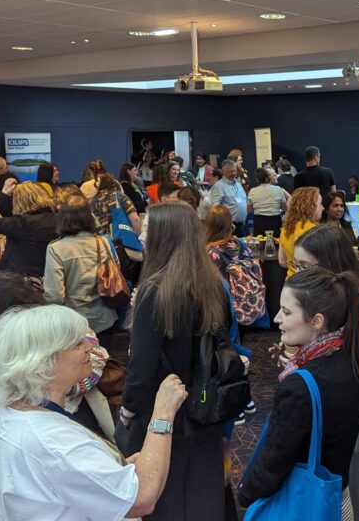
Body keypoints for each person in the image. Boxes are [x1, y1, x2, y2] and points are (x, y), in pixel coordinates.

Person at [0, 304, 187, 521]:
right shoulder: (55, 442)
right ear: (43, 361)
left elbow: (60, 477)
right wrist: (163, 413)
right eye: (76, 343)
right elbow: (141, 499)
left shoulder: (10, 413)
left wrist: (110, 470)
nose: (89, 347)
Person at [121, 202, 230, 519]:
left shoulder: (154, 291)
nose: (140, 234)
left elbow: (141, 368)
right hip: (206, 403)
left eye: (146, 228)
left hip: (164, 409)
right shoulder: (212, 284)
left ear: (163, 236)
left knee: (163, 496)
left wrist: (128, 410)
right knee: (201, 492)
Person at [238, 268, 359, 519]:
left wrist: (246, 494)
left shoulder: (300, 386)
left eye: (287, 312)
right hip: (337, 499)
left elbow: (274, 461)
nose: (277, 318)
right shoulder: (354, 364)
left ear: (316, 321)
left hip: (300, 503)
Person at [0, 273, 111, 453]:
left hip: (73, 422)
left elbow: (94, 363)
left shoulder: (64, 328)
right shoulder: (1, 343)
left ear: (11, 311)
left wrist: (43, 387)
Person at [292, 226, 359, 521]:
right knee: (323, 496)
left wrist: (341, 389)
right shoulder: (319, 302)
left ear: (330, 264)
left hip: (354, 417)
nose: (298, 275)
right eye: (297, 266)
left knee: (352, 500)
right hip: (322, 412)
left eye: (305, 267)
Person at [44, 196, 119, 346]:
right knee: (106, 365)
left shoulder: (56, 249)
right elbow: (116, 273)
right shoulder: (102, 242)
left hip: (74, 322)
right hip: (104, 319)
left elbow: (55, 295)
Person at [0, 180, 58, 281]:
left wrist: (2, 195)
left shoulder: (22, 223)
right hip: (48, 276)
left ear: (18, 201)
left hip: (20, 280)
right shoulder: (58, 219)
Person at [278, 187, 322, 278]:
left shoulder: (286, 229)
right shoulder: (315, 231)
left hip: (290, 281)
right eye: (320, 204)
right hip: (310, 283)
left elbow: (282, 262)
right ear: (311, 206)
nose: (323, 208)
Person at [204, 205, 254, 278]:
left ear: (208, 225)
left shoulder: (209, 252)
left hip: (222, 289)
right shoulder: (240, 243)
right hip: (245, 287)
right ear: (230, 223)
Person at [89, 170, 142, 238]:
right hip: (120, 241)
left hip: (101, 242)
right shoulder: (119, 196)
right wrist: (138, 236)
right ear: (115, 186)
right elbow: (135, 220)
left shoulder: (92, 200)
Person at [210, 158, 250, 237]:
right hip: (229, 226)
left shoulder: (238, 185)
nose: (233, 173)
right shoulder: (219, 186)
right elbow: (215, 208)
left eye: (234, 171)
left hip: (242, 225)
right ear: (223, 171)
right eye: (230, 171)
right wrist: (226, 222)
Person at [248, 167, 289, 236]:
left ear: (257, 179)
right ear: (268, 178)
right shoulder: (278, 189)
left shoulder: (252, 191)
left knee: (260, 242)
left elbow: (249, 210)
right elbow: (284, 208)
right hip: (275, 220)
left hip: (259, 221)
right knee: (275, 241)